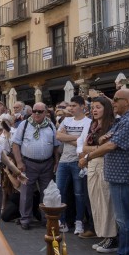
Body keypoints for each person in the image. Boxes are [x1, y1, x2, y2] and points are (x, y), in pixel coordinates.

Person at [83, 89, 129, 255]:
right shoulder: (123, 119)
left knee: (125, 217)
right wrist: (104, 140)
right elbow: (104, 138)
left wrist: (87, 157)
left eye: (117, 99)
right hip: (118, 174)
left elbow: (111, 144)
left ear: (128, 101)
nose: (113, 102)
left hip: (123, 174)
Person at [11, 102, 61, 230]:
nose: (36, 113)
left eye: (40, 111)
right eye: (34, 111)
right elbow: (15, 144)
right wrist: (19, 162)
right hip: (28, 163)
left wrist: (56, 162)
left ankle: (46, 219)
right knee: (26, 192)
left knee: (47, 192)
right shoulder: (24, 124)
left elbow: (56, 146)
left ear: (46, 112)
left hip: (47, 164)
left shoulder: (50, 125)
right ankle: (26, 219)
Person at [79, 96, 117, 252]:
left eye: (98, 107)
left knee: (106, 202)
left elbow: (108, 146)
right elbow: (84, 147)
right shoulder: (93, 126)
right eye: (93, 107)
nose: (94, 110)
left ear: (106, 108)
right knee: (96, 202)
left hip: (104, 165)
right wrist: (96, 147)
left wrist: (94, 149)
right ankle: (104, 235)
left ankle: (112, 237)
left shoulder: (112, 125)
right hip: (92, 165)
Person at [55, 96, 90, 235]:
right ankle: (62, 221)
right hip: (64, 161)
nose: (70, 108)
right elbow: (58, 136)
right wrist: (78, 138)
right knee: (59, 191)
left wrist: (68, 137)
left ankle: (79, 221)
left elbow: (85, 142)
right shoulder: (67, 120)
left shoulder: (88, 122)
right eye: (70, 105)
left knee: (79, 193)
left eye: (74, 105)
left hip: (78, 160)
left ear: (82, 106)